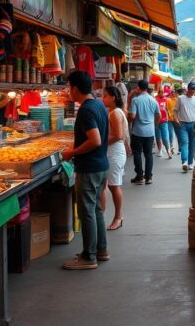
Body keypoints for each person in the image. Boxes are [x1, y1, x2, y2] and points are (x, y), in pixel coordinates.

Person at [61, 71, 109, 270]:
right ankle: (101, 250)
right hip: (101, 165)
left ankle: (89, 257)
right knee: (96, 209)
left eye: (68, 87)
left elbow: (95, 140)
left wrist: (71, 153)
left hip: (89, 168)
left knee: (86, 211)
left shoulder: (86, 110)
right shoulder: (98, 104)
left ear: (75, 88)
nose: (67, 91)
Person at [102, 86, 129, 231]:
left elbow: (118, 135)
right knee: (111, 185)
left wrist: (99, 141)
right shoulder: (115, 112)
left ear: (113, 97)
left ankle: (118, 217)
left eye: (105, 96)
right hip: (113, 152)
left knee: (114, 185)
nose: (103, 98)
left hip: (114, 153)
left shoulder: (114, 114)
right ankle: (114, 216)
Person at [127, 80, 161, 185]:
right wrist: (154, 124)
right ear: (147, 88)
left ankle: (140, 176)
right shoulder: (153, 100)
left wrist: (128, 117)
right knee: (148, 154)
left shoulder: (136, 100)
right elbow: (158, 115)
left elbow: (132, 116)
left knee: (137, 153)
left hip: (137, 131)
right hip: (150, 132)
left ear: (138, 87)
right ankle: (148, 177)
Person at [175, 82, 195, 172]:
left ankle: (190, 163)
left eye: (194, 89)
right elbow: (175, 110)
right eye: (191, 89)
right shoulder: (180, 98)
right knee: (184, 142)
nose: (192, 91)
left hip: (194, 124)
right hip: (183, 124)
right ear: (188, 88)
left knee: (192, 144)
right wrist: (176, 118)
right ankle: (185, 162)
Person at [155, 88, 173, 158]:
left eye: (162, 92)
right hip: (156, 121)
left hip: (164, 121)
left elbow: (169, 110)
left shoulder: (166, 100)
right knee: (158, 136)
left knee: (165, 137)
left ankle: (168, 151)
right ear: (158, 93)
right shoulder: (155, 99)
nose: (161, 94)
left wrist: (169, 117)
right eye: (160, 92)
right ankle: (160, 150)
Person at [165, 89, 178, 156]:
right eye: (172, 92)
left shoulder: (178, 100)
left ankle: (179, 149)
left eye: (174, 92)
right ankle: (171, 146)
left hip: (176, 119)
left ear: (176, 93)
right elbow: (166, 109)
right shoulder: (168, 100)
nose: (173, 94)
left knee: (178, 134)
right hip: (170, 120)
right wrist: (169, 115)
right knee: (170, 134)